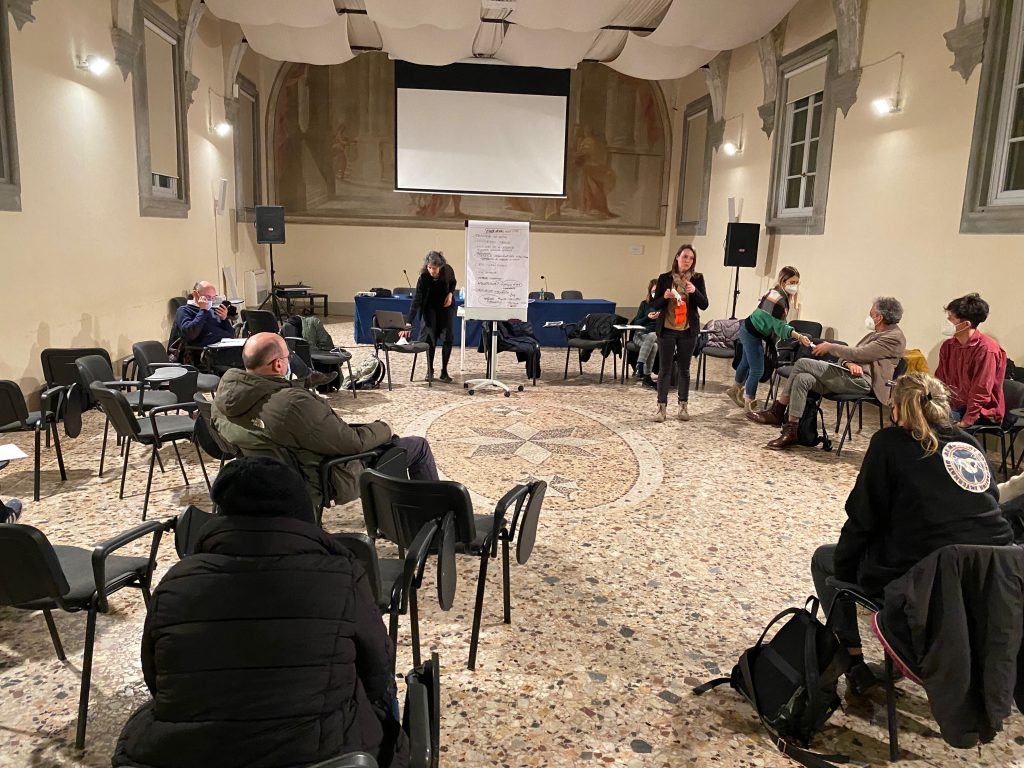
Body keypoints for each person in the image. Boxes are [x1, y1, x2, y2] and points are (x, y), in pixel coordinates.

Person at [112, 457, 409, 768]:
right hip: (327, 755)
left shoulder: (176, 581)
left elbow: (157, 679)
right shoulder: (344, 574)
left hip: (191, 754)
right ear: (302, 513)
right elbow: (377, 671)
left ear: (220, 515)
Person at [810, 373, 1014, 694]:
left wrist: (845, 577)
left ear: (896, 409)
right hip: (986, 591)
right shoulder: (969, 444)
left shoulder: (889, 444)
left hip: (925, 588)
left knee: (825, 560)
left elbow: (861, 521)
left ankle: (853, 662)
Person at [212, 333, 438, 509]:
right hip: (322, 478)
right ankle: (433, 521)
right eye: (288, 356)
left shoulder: (223, 397)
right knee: (417, 446)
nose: (290, 360)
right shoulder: (292, 404)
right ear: (278, 365)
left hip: (260, 477)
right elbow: (352, 443)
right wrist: (385, 427)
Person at [749, 297, 907, 450]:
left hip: (865, 382)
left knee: (803, 363)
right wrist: (847, 362)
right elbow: (852, 356)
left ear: (879, 317)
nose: (869, 317)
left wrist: (830, 347)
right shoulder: (876, 334)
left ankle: (778, 411)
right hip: (850, 375)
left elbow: (860, 353)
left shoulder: (894, 338)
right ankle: (792, 431)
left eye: (871, 314)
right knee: (803, 379)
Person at [725, 266, 813, 413]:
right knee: (757, 369)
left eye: (797, 282)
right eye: (792, 282)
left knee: (746, 362)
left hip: (749, 329)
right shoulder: (778, 300)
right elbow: (781, 327)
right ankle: (749, 403)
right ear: (783, 281)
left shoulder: (775, 292)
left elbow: (774, 323)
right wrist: (799, 336)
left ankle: (735, 389)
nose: (795, 286)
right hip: (751, 333)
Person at [648, 245, 709, 422]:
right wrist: (665, 297)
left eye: (691, 258)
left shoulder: (697, 279)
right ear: (677, 257)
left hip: (687, 331)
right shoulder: (664, 278)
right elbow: (655, 304)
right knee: (665, 369)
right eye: (684, 257)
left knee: (684, 369)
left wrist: (694, 292)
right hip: (667, 329)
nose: (687, 261)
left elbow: (704, 304)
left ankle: (683, 406)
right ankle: (661, 408)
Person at [935, 293, 1007, 428]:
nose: (947, 321)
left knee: (935, 427)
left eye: (951, 318)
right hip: (954, 405)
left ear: (966, 324)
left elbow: (981, 391)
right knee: (914, 415)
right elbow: (940, 380)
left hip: (979, 411)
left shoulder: (987, 350)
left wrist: (966, 421)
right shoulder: (948, 346)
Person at [401, 250, 457, 383]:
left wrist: (450, 294)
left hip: (445, 307)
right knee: (430, 339)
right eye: (430, 267)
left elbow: (453, 283)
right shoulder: (424, 277)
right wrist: (409, 321)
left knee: (448, 337)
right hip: (429, 308)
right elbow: (417, 300)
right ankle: (429, 370)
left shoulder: (448, 270)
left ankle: (444, 371)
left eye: (435, 268)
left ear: (441, 267)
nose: (432, 271)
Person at [629, 278, 660, 388]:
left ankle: (640, 364)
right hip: (640, 335)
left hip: (655, 335)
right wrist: (647, 317)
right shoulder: (644, 304)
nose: (655, 293)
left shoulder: (664, 306)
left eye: (657, 290)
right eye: (653, 291)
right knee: (654, 346)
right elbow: (637, 322)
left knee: (653, 336)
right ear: (650, 290)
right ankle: (647, 378)